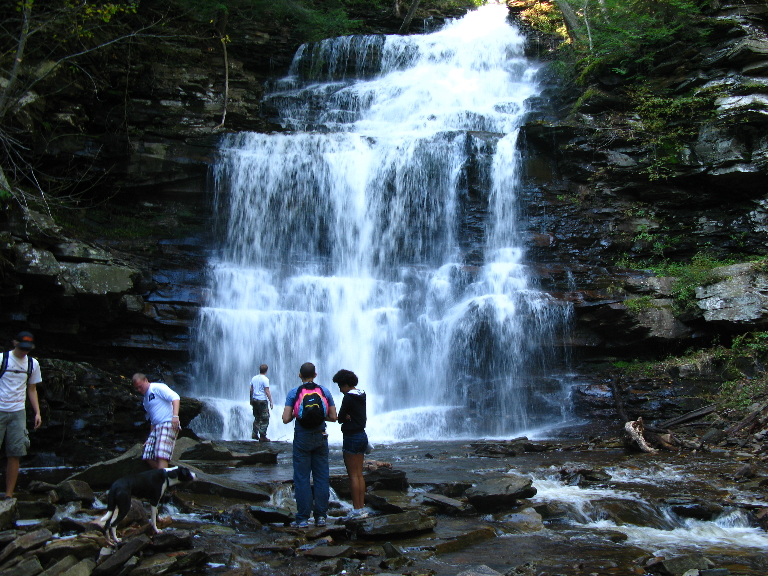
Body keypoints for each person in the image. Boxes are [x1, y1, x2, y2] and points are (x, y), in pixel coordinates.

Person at [282, 362, 337, 528]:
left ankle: (303, 518)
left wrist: (296, 414)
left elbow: (285, 419)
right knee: (321, 477)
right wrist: (321, 417)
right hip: (320, 436)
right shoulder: (324, 391)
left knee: (302, 478)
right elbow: (334, 417)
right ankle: (321, 517)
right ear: (316, 375)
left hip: (302, 438)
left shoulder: (294, 393)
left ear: (300, 375)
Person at [0, 332, 42, 499]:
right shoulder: (3, 359)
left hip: (18, 412)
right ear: (14, 343)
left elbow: (32, 389)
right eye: (21, 348)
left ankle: (9, 495)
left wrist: (37, 412)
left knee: (15, 453)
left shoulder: (32, 364)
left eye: (27, 349)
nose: (24, 352)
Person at [332, 369, 368, 518]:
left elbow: (339, 417)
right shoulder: (362, 394)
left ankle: (357, 510)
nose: (340, 390)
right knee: (360, 475)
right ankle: (362, 508)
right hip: (362, 436)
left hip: (351, 437)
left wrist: (345, 417)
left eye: (340, 386)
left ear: (346, 384)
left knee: (353, 475)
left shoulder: (348, 397)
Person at [133, 373, 180, 470]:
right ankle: (163, 475)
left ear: (146, 380)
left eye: (140, 386)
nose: (139, 390)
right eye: (137, 388)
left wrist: (175, 416)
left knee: (161, 455)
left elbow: (175, 397)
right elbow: (152, 420)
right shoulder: (145, 400)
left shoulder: (157, 388)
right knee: (147, 455)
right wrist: (149, 437)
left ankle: (164, 481)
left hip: (168, 423)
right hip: (156, 427)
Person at [250, 364, 273, 442]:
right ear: (266, 370)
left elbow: (251, 390)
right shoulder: (265, 379)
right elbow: (267, 391)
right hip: (262, 400)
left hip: (254, 400)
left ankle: (254, 433)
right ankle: (263, 436)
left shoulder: (254, 378)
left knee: (257, 417)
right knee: (265, 418)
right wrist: (271, 401)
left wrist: (251, 400)